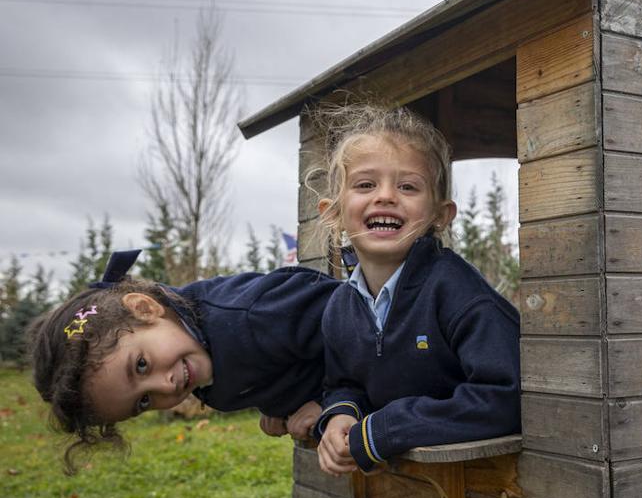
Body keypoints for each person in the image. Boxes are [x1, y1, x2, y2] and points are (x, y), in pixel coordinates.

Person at [311, 104, 520, 477]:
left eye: (408, 186)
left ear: (440, 215)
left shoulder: (457, 291)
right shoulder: (340, 308)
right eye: (365, 184)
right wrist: (342, 413)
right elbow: (343, 383)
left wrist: (386, 430)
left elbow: (506, 396)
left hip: (481, 485)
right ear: (334, 213)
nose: (386, 196)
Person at [27, 250, 341, 473]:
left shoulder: (258, 315)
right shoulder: (201, 365)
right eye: (144, 401)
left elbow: (372, 331)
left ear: (145, 309)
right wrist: (280, 407)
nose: (167, 386)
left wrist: (331, 403)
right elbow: (276, 366)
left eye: (141, 366)